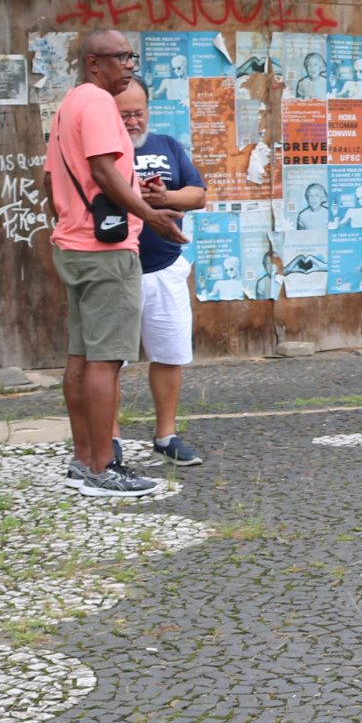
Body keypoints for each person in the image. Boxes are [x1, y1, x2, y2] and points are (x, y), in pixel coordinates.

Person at [46, 30, 184, 499]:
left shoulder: (68, 106)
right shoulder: (101, 105)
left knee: (81, 357)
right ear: (93, 63)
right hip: (105, 252)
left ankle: (83, 460)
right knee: (105, 361)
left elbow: (51, 180)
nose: (129, 65)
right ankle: (105, 469)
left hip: (73, 245)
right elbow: (104, 171)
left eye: (131, 57)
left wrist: (72, 220)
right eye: (120, 57)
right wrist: (151, 217)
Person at [116, 78, 210, 469]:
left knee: (169, 354)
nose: (133, 121)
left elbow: (199, 194)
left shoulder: (167, 146)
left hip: (166, 266)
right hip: (117, 269)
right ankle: (110, 440)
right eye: (124, 115)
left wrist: (164, 198)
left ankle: (166, 435)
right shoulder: (103, 151)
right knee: (108, 361)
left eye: (139, 112)